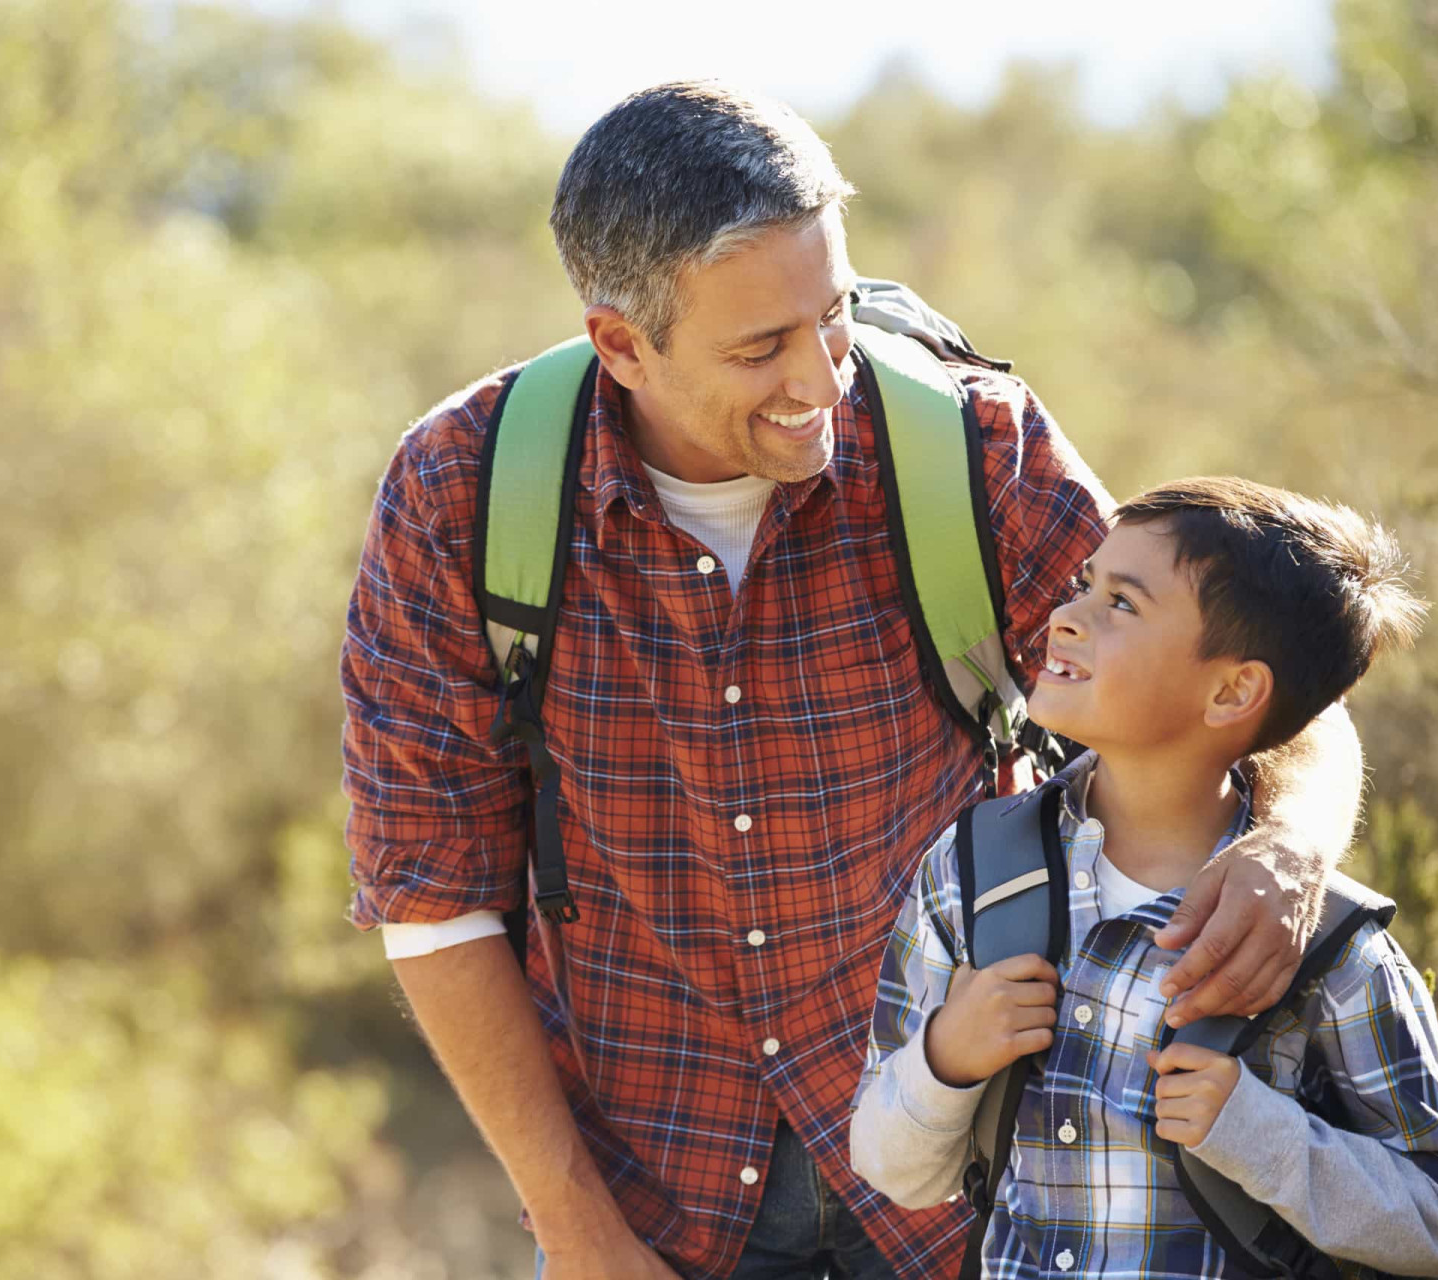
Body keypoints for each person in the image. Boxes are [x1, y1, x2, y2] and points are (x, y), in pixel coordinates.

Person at [340, 81, 1366, 1280]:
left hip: (977, 1182)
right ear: (621, 342)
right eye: (758, 347)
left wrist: (1291, 845)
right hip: (649, 1195)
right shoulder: (460, 492)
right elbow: (432, 894)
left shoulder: (967, 442)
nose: (822, 379)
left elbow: (1241, 680)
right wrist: (576, 1227)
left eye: (829, 315)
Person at [849, 477, 1438, 1279]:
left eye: (1122, 604)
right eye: (1086, 583)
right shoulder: (972, 872)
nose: (1066, 616)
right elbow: (889, 1166)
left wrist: (1261, 1133)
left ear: (1231, 692)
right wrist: (945, 1057)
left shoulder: (1324, 948)